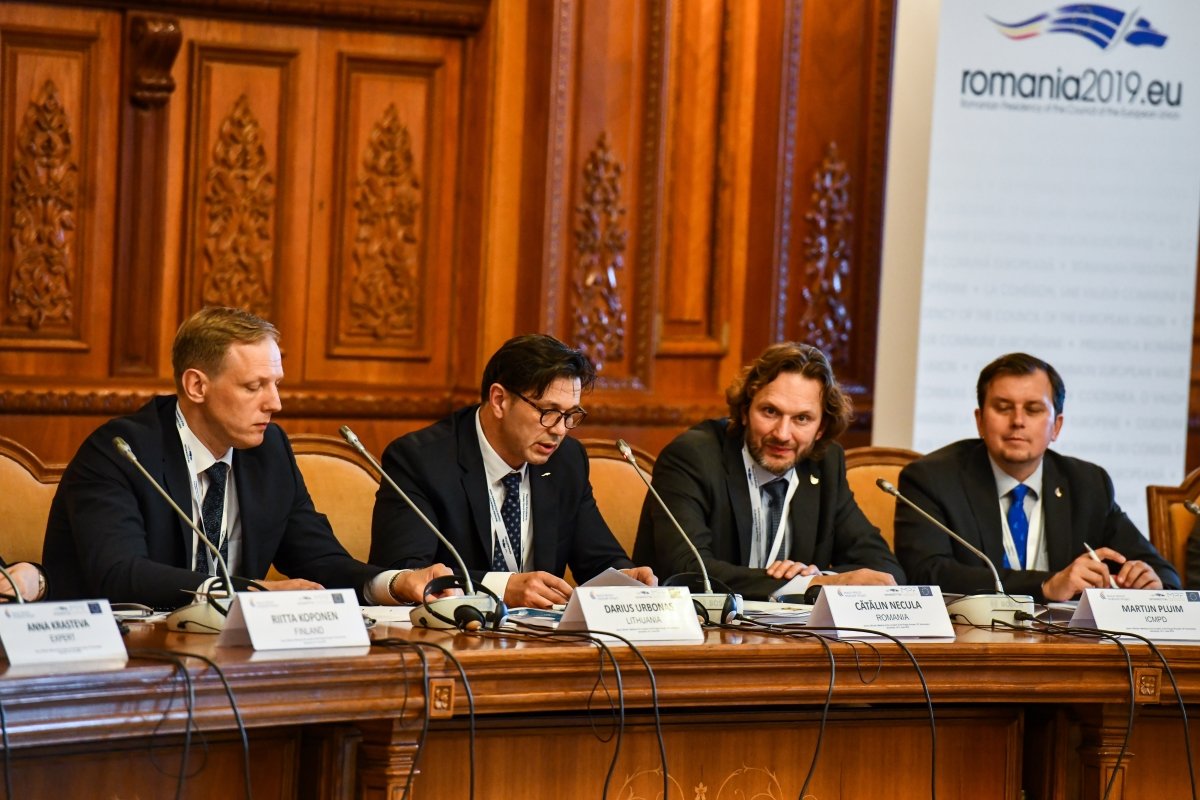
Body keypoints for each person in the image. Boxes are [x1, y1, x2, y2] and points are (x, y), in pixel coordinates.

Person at [42, 307, 450, 608]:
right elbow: (121, 574)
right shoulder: (120, 453)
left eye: (276, 384)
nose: (275, 403)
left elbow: (320, 559)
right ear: (197, 386)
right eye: (254, 386)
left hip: (227, 659)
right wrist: (253, 592)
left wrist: (395, 584)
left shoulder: (268, 451)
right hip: (121, 659)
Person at [370, 334, 656, 609]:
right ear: (499, 400)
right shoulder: (421, 460)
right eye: (548, 411)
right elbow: (406, 572)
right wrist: (501, 587)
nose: (560, 430)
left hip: (541, 635)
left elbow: (598, 558)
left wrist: (625, 578)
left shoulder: (566, 460)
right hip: (453, 633)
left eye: (571, 415)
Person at [894, 352, 1179, 601]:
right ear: (980, 421)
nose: (1018, 421)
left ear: (1057, 426)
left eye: (1033, 410)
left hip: (1067, 640)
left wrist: (1150, 581)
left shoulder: (1088, 484)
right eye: (1003, 408)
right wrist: (1045, 585)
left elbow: (1162, 571)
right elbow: (926, 572)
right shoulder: (933, 479)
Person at [631, 342, 904, 600]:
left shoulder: (824, 465)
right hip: (699, 627)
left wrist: (827, 578)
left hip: (792, 631)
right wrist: (806, 585)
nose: (782, 434)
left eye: (802, 418)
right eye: (770, 412)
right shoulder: (693, 457)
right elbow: (687, 571)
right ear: (745, 410)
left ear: (821, 428)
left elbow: (886, 571)